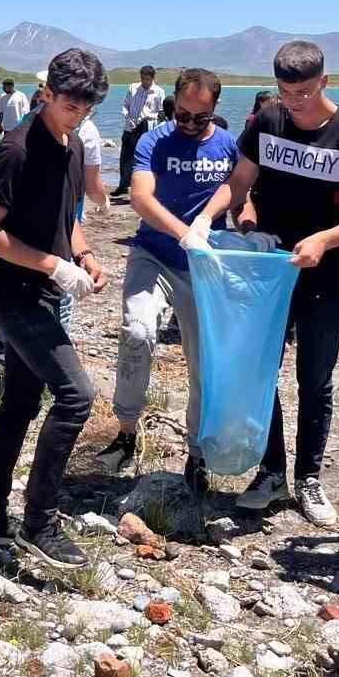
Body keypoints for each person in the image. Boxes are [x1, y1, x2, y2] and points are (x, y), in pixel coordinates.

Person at [184, 41, 339, 526]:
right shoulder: (266, 122)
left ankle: (309, 479)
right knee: (260, 370)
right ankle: (272, 472)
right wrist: (206, 221)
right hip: (268, 273)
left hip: (326, 274)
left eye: (303, 91)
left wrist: (325, 240)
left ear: (324, 82)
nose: (294, 101)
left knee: (315, 380)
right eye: (285, 91)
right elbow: (239, 180)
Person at [0, 48, 109, 568]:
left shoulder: (71, 148)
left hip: (44, 292)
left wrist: (85, 255)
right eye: (70, 105)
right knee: (76, 395)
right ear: (46, 92)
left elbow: (65, 215)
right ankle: (38, 522)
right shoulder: (16, 150)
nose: (78, 115)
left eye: (87, 108)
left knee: (22, 403)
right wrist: (53, 265)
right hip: (9, 292)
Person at [96, 68, 243, 497]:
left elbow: (240, 198)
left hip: (202, 267)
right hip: (154, 255)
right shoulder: (154, 141)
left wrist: (251, 235)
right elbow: (141, 197)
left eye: (200, 118)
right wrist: (183, 232)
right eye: (183, 115)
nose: (191, 124)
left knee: (203, 360)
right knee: (137, 331)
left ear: (215, 110)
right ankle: (126, 430)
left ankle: (197, 453)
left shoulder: (228, 146)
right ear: (171, 106)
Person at [114, 66, 164, 198]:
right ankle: (123, 185)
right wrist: (127, 117)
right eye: (142, 78)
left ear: (152, 78)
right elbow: (125, 105)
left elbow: (161, 113)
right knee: (126, 157)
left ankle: (144, 187)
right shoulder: (133, 88)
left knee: (144, 157)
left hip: (148, 127)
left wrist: (153, 123)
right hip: (130, 126)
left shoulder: (159, 92)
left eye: (147, 79)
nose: (144, 82)